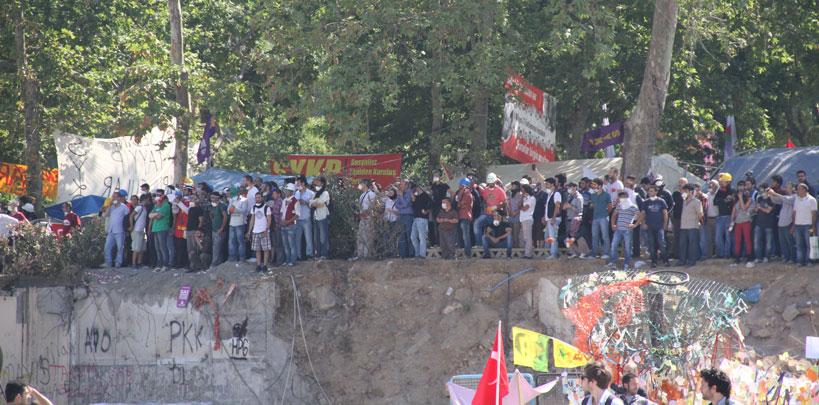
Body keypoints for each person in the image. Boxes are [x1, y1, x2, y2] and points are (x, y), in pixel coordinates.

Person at [608, 192, 641, 270]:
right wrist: (613, 224)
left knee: (627, 247)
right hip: (618, 230)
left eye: (622, 197)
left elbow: (640, 216)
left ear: (626, 197)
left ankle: (627, 263)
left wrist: (635, 225)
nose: (620, 199)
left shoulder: (633, 206)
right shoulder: (619, 206)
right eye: (620, 198)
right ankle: (613, 261)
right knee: (613, 245)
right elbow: (614, 215)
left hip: (627, 231)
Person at [473, 173, 507, 246]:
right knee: (477, 224)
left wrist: (494, 208)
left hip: (497, 215)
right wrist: (486, 207)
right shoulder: (485, 191)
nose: (491, 184)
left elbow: (504, 203)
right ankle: (479, 245)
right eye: (489, 183)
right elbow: (484, 201)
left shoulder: (500, 190)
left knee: (496, 230)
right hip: (487, 214)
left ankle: (497, 246)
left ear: (495, 181)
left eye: (492, 182)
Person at [641, 185, 669, 267]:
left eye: (652, 191)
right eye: (649, 191)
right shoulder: (646, 202)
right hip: (649, 226)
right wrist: (643, 223)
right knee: (651, 244)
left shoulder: (661, 201)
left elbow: (665, 213)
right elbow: (643, 213)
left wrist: (665, 224)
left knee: (661, 243)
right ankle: (654, 261)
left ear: (656, 192)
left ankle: (665, 260)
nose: (650, 193)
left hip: (659, 226)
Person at [768, 183, 796, 263]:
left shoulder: (794, 197)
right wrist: (770, 194)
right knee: (783, 242)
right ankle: (786, 257)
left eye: (787, 187)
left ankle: (792, 258)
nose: (785, 189)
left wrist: (774, 193)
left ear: (793, 189)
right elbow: (776, 200)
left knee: (790, 242)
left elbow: (787, 199)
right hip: (781, 223)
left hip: (788, 223)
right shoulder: (784, 197)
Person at [677, 184, 704, 267]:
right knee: (682, 244)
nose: (683, 192)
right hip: (683, 226)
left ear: (691, 192)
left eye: (685, 191)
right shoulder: (683, 201)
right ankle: (682, 261)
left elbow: (700, 214)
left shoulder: (697, 202)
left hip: (693, 226)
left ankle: (692, 261)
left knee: (692, 245)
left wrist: (700, 223)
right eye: (683, 191)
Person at [103, 190, 130, 268]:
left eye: (115, 197)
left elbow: (128, 216)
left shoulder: (124, 207)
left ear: (119, 198)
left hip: (120, 230)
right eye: (112, 196)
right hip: (111, 230)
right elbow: (105, 215)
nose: (113, 198)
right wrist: (109, 205)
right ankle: (108, 262)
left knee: (120, 247)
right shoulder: (111, 207)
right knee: (107, 246)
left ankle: (118, 262)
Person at [792, 182, 817, 267]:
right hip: (798, 225)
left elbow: (814, 214)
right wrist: (793, 225)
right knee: (799, 244)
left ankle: (808, 261)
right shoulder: (796, 199)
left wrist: (813, 226)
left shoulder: (812, 200)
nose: (797, 191)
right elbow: (794, 213)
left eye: (799, 189)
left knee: (808, 244)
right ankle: (800, 261)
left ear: (804, 190)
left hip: (808, 225)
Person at [730, 180, 755, 268]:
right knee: (737, 241)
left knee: (748, 240)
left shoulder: (749, 199)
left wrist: (740, 197)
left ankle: (749, 258)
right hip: (738, 222)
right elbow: (734, 210)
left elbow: (744, 208)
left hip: (746, 221)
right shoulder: (737, 199)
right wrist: (732, 221)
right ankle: (737, 258)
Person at [246, 190, 272, 272]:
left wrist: (266, 229)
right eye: (256, 197)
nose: (257, 199)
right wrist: (249, 231)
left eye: (259, 197)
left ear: (262, 198)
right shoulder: (253, 207)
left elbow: (269, 219)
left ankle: (264, 265)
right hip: (255, 231)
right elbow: (252, 220)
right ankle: (258, 265)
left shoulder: (266, 207)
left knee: (265, 249)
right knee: (257, 250)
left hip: (264, 231)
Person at [753, 183, 777, 263]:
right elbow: (756, 209)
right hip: (759, 223)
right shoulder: (759, 198)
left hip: (768, 224)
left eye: (762, 189)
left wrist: (760, 207)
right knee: (757, 241)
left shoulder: (772, 199)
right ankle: (758, 257)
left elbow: (768, 211)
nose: (761, 191)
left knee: (768, 243)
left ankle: (767, 257)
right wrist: (756, 208)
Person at [149, 190, 173, 271]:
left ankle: (165, 264)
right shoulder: (156, 205)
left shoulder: (166, 205)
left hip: (163, 228)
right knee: (157, 247)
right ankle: (159, 264)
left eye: (159, 195)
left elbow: (160, 217)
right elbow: (150, 215)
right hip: (155, 228)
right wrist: (156, 214)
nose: (157, 196)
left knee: (163, 247)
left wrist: (155, 215)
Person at [713, 173, 735, 258]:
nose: (721, 183)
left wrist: (722, 201)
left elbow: (729, 201)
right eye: (721, 182)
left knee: (728, 237)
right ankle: (720, 254)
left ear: (728, 182)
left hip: (729, 216)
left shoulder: (733, 190)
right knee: (718, 237)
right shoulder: (720, 191)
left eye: (723, 181)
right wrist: (724, 201)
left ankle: (727, 254)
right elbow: (715, 202)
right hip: (720, 216)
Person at [354, 179, 378, 259]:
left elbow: (372, 206)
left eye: (361, 183)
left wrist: (365, 213)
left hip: (368, 218)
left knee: (368, 236)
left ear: (365, 184)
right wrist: (359, 213)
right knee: (360, 236)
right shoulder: (362, 195)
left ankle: (367, 255)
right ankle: (360, 255)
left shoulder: (371, 194)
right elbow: (360, 207)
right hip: (362, 218)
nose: (359, 185)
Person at [590, 179, 612, 259]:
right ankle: (594, 253)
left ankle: (606, 253)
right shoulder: (593, 195)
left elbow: (610, 206)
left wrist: (606, 214)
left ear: (600, 185)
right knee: (594, 236)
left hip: (604, 217)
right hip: (595, 218)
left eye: (594, 184)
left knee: (605, 236)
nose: (593, 186)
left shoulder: (606, 195)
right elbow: (592, 205)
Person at [429, 170, 452, 247]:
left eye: (437, 175)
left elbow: (452, 194)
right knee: (435, 226)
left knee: (442, 225)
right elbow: (430, 195)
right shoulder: (432, 186)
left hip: (442, 208)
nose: (435, 177)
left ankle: (444, 243)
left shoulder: (444, 185)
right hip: (434, 208)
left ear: (440, 176)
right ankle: (437, 243)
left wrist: (448, 203)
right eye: (434, 175)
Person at [294, 177, 315, 260]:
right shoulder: (296, 193)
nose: (297, 185)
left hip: (307, 218)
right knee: (297, 238)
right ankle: (298, 255)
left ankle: (309, 254)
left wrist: (305, 202)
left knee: (308, 238)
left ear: (303, 183)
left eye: (298, 183)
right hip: (298, 218)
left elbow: (314, 205)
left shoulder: (311, 193)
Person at [310, 176, 331, 260]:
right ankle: (318, 254)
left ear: (322, 183)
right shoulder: (315, 193)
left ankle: (324, 254)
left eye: (318, 182)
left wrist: (315, 203)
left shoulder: (325, 193)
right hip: (316, 217)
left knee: (323, 237)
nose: (316, 183)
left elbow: (321, 203)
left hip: (323, 216)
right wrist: (315, 203)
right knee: (317, 237)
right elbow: (310, 203)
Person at [542, 178, 562, 259]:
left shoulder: (556, 194)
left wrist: (553, 218)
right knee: (548, 236)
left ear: (552, 184)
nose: (546, 185)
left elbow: (557, 206)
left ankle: (553, 254)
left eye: (547, 183)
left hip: (554, 219)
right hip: (549, 219)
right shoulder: (550, 193)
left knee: (552, 237)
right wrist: (545, 216)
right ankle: (550, 253)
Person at [410, 182, 432, 258]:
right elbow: (413, 204)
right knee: (413, 237)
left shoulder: (426, 195)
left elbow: (431, 204)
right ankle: (417, 253)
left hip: (422, 219)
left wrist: (426, 211)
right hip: (415, 219)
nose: (416, 189)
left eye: (417, 187)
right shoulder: (416, 197)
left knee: (422, 237)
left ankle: (422, 255)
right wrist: (413, 197)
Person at [227, 186, 248, 262]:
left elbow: (244, 211)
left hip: (240, 223)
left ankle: (242, 258)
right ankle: (232, 258)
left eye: (241, 191)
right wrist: (231, 209)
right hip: (232, 223)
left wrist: (234, 209)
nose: (239, 193)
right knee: (231, 242)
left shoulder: (244, 200)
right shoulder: (233, 200)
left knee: (240, 242)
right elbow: (228, 210)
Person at [455, 178, 474, 258]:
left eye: (460, 184)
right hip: (460, 216)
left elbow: (459, 204)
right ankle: (460, 253)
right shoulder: (460, 192)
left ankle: (468, 253)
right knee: (459, 236)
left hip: (465, 216)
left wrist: (458, 203)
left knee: (465, 236)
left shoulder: (467, 193)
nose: (458, 185)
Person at [280, 183, 299, 266]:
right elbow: (282, 212)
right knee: (285, 244)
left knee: (292, 244)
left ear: (291, 191)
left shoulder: (296, 201)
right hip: (284, 225)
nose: (285, 192)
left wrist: (288, 222)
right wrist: (282, 221)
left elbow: (297, 215)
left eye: (287, 190)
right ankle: (287, 260)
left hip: (291, 225)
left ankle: (292, 261)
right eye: (285, 190)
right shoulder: (284, 200)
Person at [564, 183, 584, 258]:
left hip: (576, 220)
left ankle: (582, 252)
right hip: (569, 218)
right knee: (568, 238)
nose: (569, 189)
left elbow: (580, 211)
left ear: (575, 187)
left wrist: (571, 206)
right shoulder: (570, 197)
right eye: (568, 187)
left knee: (577, 238)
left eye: (571, 187)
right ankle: (573, 252)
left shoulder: (579, 197)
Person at [396, 179, 415, 258]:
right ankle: (402, 254)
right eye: (400, 185)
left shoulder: (409, 192)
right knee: (401, 235)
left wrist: (401, 197)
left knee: (409, 234)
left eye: (402, 184)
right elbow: (397, 205)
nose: (400, 186)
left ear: (406, 185)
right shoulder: (399, 193)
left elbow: (406, 203)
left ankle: (411, 253)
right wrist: (402, 204)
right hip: (400, 215)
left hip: (408, 215)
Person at [209, 191, 228, 268]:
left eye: (213, 197)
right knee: (216, 247)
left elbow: (225, 217)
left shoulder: (221, 206)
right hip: (214, 230)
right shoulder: (212, 206)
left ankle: (214, 264)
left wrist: (222, 228)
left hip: (220, 230)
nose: (211, 199)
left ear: (217, 198)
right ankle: (218, 264)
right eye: (211, 197)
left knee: (216, 248)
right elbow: (211, 215)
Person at [130, 195, 149, 269]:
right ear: (144, 200)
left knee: (141, 248)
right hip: (137, 230)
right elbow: (131, 216)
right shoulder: (139, 207)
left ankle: (139, 262)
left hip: (142, 230)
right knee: (136, 248)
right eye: (147, 200)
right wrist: (131, 226)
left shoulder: (144, 208)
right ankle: (134, 263)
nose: (148, 201)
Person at [704, 180, 720, 258]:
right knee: (709, 238)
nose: (710, 186)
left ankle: (717, 254)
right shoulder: (707, 196)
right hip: (708, 219)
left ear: (716, 186)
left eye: (712, 185)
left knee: (717, 238)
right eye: (710, 184)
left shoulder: (719, 195)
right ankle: (709, 254)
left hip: (717, 219)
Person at [519, 184, 536, 259]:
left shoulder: (531, 198)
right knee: (523, 237)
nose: (521, 191)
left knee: (528, 237)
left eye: (522, 190)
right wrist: (522, 198)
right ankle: (527, 252)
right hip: (523, 219)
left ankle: (528, 254)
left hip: (528, 219)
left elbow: (525, 208)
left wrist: (520, 207)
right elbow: (519, 205)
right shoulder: (525, 198)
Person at [507, 181, 523, 248]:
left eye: (513, 186)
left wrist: (515, 213)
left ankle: (516, 250)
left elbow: (522, 206)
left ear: (517, 187)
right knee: (511, 234)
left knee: (516, 235)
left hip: (517, 217)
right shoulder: (511, 195)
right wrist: (510, 212)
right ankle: (512, 249)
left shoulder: (521, 195)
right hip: (511, 217)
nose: (512, 187)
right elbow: (509, 205)